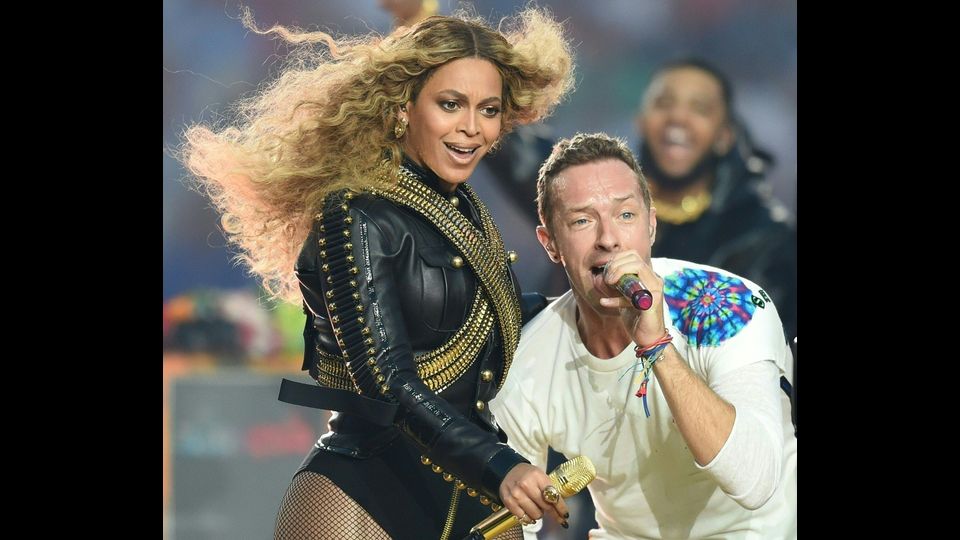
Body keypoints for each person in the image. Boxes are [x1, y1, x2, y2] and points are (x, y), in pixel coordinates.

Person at [181, 8, 576, 539]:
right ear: (404, 107)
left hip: (472, 497)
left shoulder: (466, 209)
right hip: (363, 495)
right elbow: (387, 380)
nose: (471, 128)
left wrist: (586, 305)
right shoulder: (354, 214)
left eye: (488, 109)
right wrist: (499, 465)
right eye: (450, 104)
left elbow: (485, 317)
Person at [490, 133, 797, 539]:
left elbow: (754, 482)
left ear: (651, 225)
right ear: (551, 245)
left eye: (626, 215)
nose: (608, 238)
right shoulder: (529, 355)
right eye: (582, 220)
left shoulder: (726, 304)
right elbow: (518, 523)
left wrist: (656, 346)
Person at [635, 59, 797, 341]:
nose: (678, 117)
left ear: (724, 136)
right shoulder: (599, 209)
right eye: (663, 103)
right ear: (641, 121)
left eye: (700, 108)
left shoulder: (765, 237)